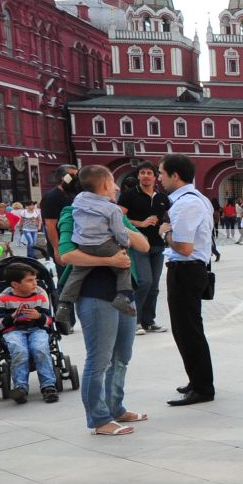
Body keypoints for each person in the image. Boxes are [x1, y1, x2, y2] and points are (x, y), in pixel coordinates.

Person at [56, 176, 150, 435]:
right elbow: (66, 254)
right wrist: (110, 260)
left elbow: (143, 244)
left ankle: (115, 408)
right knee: (99, 360)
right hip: (95, 294)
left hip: (124, 293)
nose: (118, 187)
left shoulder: (115, 212)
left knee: (122, 356)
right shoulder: (72, 213)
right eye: (112, 182)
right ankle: (99, 419)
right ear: (103, 185)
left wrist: (116, 222)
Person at [159, 154, 216, 406]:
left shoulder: (185, 204)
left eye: (161, 173)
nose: (159, 179)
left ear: (175, 175)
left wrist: (165, 234)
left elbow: (183, 247)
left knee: (187, 330)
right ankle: (197, 379)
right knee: (189, 329)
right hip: (192, 269)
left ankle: (203, 387)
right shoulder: (197, 198)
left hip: (186, 269)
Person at [56, 166, 136, 315]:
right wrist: (125, 243)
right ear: (106, 184)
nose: (117, 188)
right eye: (113, 183)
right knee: (124, 266)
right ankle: (123, 296)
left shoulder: (78, 201)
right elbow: (119, 232)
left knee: (77, 273)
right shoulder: (113, 209)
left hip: (83, 245)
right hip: (104, 244)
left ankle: (64, 304)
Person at [0, 262, 59, 403]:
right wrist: (12, 317)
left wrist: (39, 317)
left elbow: (48, 320)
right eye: (29, 280)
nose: (35, 283)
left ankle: (48, 385)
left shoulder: (40, 294)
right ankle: (20, 387)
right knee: (19, 349)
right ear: (15, 285)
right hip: (13, 330)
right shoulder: (4, 298)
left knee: (40, 348)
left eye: (35, 279)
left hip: (37, 329)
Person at [119, 165, 171, 333]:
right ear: (138, 176)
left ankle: (149, 321)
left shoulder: (162, 197)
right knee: (144, 281)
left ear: (155, 177)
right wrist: (140, 224)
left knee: (154, 285)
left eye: (150, 173)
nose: (146, 176)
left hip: (158, 244)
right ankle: (135, 320)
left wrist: (164, 224)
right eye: (143, 173)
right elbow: (119, 218)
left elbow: (169, 216)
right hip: (138, 244)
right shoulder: (128, 196)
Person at [39, 165, 78, 258]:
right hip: (63, 247)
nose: (77, 179)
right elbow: (50, 225)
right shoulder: (51, 197)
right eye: (73, 176)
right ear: (63, 177)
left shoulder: (74, 194)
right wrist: (57, 250)